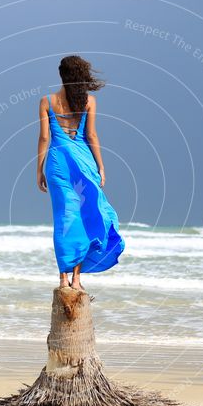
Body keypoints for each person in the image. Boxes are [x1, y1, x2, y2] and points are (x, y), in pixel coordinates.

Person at [36, 55, 125, 291]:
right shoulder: (89, 102)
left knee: (64, 219)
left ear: (62, 76)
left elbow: (45, 137)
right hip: (83, 164)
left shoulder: (46, 101)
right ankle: (76, 279)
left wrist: (39, 169)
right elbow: (92, 136)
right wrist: (101, 165)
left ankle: (63, 278)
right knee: (85, 217)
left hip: (57, 165)